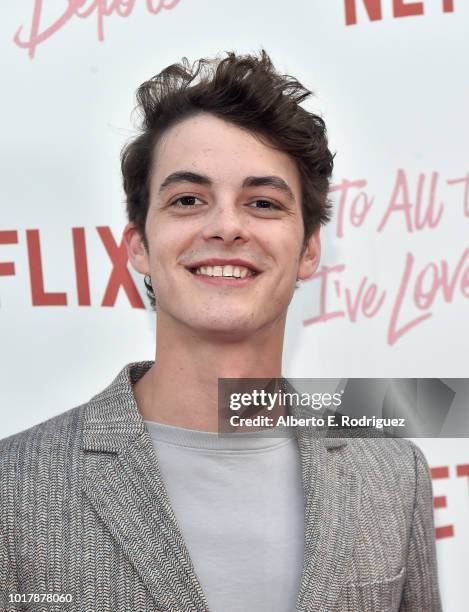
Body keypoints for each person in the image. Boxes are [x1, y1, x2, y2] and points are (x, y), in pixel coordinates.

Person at [0, 50, 441, 612]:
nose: (227, 226)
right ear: (137, 246)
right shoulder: (12, 489)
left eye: (262, 202)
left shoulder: (393, 478)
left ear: (309, 249)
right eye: (188, 200)